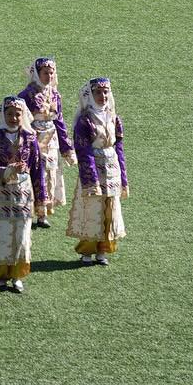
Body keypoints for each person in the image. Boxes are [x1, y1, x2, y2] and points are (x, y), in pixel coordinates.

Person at [0, 97, 45, 293]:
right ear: (2, 115)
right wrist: (5, 171)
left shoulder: (31, 138)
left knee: (21, 234)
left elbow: (37, 169)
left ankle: (16, 275)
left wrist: (41, 199)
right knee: (2, 233)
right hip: (0, 193)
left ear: (23, 115)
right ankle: (1, 275)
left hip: (23, 194)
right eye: (10, 114)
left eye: (18, 114)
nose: (14, 118)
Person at [66, 78, 127, 265]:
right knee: (92, 211)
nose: (103, 96)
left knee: (109, 209)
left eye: (106, 92)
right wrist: (90, 180)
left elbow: (119, 148)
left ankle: (103, 249)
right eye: (98, 93)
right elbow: (83, 152)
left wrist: (123, 178)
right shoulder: (85, 121)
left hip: (112, 170)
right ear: (90, 95)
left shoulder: (113, 117)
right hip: (93, 171)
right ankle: (87, 251)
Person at [18, 57, 75, 229]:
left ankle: (43, 214)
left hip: (51, 140)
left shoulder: (55, 95)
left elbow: (60, 121)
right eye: (45, 73)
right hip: (33, 139)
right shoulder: (25, 95)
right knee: (34, 173)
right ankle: (27, 209)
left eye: (51, 73)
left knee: (49, 175)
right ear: (37, 73)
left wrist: (67, 148)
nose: (49, 76)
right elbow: (21, 122)